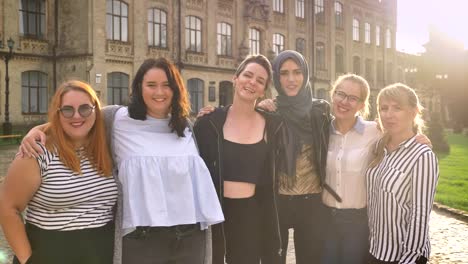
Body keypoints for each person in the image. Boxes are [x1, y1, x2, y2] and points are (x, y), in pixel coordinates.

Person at [18, 58, 224, 264]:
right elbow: (76, 118)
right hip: (142, 241)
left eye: (166, 85)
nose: (159, 92)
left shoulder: (185, 126)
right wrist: (35, 131)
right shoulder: (117, 118)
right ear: (139, 87)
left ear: (176, 89)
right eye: (151, 85)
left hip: (190, 239)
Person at [0, 80, 118, 264]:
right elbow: (7, 207)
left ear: (96, 110)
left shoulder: (108, 149)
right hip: (49, 254)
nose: (77, 116)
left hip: (101, 255)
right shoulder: (37, 151)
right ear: (58, 113)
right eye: (68, 109)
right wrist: (27, 259)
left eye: (85, 108)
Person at [194, 54, 283, 264]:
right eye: (248, 75)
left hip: (250, 214)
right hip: (214, 213)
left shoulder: (273, 125)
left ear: (263, 91)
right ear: (236, 78)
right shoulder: (209, 122)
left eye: (260, 81)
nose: (252, 82)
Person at [366, 83, 438, 264]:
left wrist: (410, 259)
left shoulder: (422, 156)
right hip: (373, 250)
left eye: (397, 108)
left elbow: (420, 214)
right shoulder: (377, 147)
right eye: (384, 108)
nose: (388, 114)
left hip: (402, 257)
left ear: (413, 112)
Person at [321, 74, 379, 264]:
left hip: (357, 222)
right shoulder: (321, 130)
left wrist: (420, 138)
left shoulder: (375, 131)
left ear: (362, 105)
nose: (344, 102)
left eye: (353, 98)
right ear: (333, 95)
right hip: (325, 219)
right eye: (341, 94)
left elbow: (402, 135)